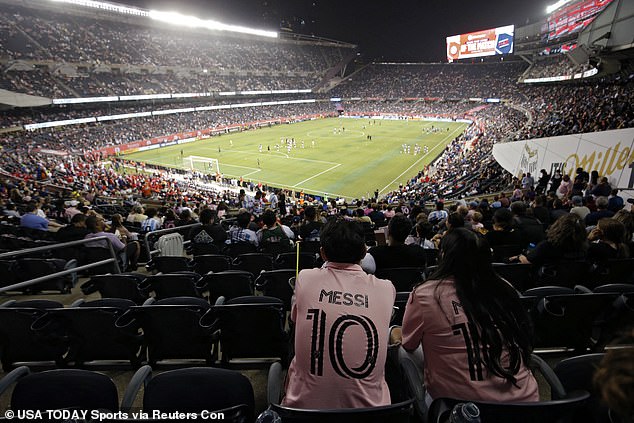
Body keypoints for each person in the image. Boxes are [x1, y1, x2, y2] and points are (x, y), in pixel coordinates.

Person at [393, 228, 538, 403]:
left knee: (400, 345)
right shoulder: (504, 287)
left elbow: (409, 345)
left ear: (445, 256)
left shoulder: (426, 294)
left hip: (462, 409)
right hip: (527, 405)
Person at [282, 218, 396, 409]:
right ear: (364, 253)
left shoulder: (305, 278)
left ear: (322, 253)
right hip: (370, 415)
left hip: (304, 412)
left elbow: (294, 319)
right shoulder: (386, 288)